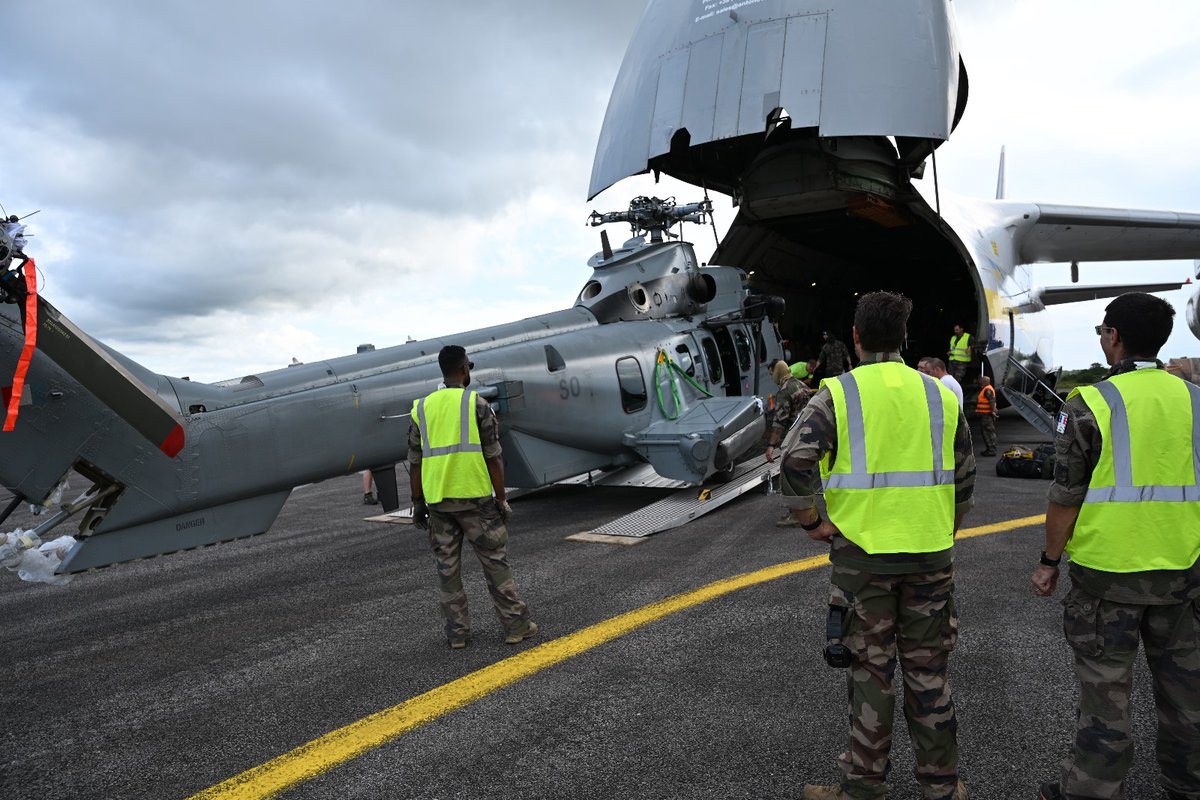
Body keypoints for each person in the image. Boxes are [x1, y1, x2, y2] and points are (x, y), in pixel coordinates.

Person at [780, 292, 975, 800]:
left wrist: (812, 524)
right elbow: (965, 476)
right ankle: (943, 787)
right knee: (929, 670)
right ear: (905, 339)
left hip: (863, 558)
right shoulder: (939, 394)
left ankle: (862, 787)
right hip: (931, 554)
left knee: (871, 670)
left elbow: (794, 463)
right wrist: (943, 527)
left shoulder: (836, 394)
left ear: (857, 337)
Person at [1032, 293, 1200, 800]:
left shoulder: (1090, 403)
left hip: (1107, 579)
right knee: (1188, 700)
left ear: (1114, 337)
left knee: (1106, 698)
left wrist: (1048, 562)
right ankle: (1188, 786)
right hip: (1184, 574)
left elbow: (1065, 496)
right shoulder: (1194, 399)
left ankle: (1092, 791)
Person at [407, 345, 537, 649]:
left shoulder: (421, 408)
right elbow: (494, 456)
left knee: (448, 570)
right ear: (465, 369)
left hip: (439, 502)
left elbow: (415, 462)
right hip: (476, 501)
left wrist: (417, 503)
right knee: (495, 563)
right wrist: (502, 498)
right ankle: (516, 627)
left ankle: (457, 634)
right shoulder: (476, 404)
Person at [766, 359, 812, 466]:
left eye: (772, 374)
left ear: (777, 372)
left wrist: (771, 446)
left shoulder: (783, 393)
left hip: (797, 441)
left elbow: (779, 423)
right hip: (812, 436)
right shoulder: (802, 385)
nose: (772, 378)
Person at [974, 376, 998, 456]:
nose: (980, 382)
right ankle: (989, 449)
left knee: (988, 432)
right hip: (985, 414)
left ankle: (992, 450)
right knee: (987, 432)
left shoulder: (987, 389)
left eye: (981, 381)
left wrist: (992, 411)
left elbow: (992, 400)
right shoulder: (987, 388)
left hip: (987, 415)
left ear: (985, 382)